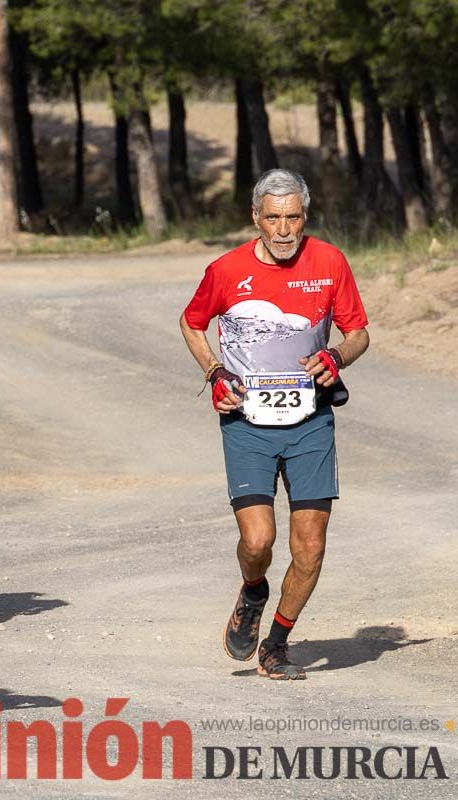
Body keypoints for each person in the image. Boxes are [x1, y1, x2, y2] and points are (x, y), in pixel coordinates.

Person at [179, 169, 369, 680]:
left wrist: (337, 357)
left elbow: (358, 333)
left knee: (310, 546)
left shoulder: (329, 262)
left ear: (305, 216)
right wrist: (214, 370)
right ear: (256, 218)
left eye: (294, 217)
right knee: (259, 542)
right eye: (273, 218)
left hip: (312, 420)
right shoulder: (226, 270)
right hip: (247, 421)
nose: (284, 229)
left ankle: (277, 643)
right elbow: (192, 322)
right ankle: (254, 590)